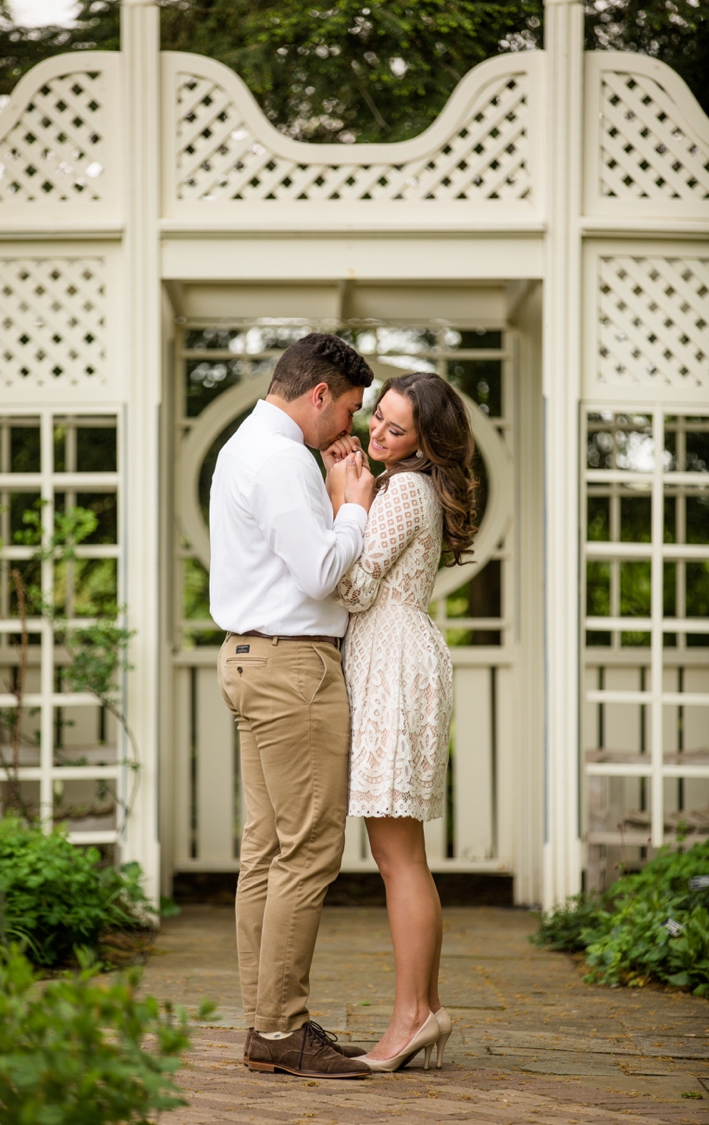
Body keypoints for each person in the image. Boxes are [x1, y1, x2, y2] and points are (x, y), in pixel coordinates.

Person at [208, 332, 376, 1079]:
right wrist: (352, 507)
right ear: (317, 395)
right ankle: (279, 1026)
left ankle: (267, 1021)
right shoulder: (282, 458)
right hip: (291, 667)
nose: (351, 429)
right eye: (347, 410)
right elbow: (318, 573)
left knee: (267, 851)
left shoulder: (244, 445)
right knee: (307, 851)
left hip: (251, 658)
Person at [330, 372, 477, 1072]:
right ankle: (425, 1007)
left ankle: (412, 1017)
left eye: (395, 427)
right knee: (403, 854)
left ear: (426, 439)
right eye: (377, 419)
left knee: (397, 858)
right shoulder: (412, 487)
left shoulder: (400, 492)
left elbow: (352, 585)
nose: (377, 434)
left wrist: (343, 502)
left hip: (393, 662)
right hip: (401, 656)